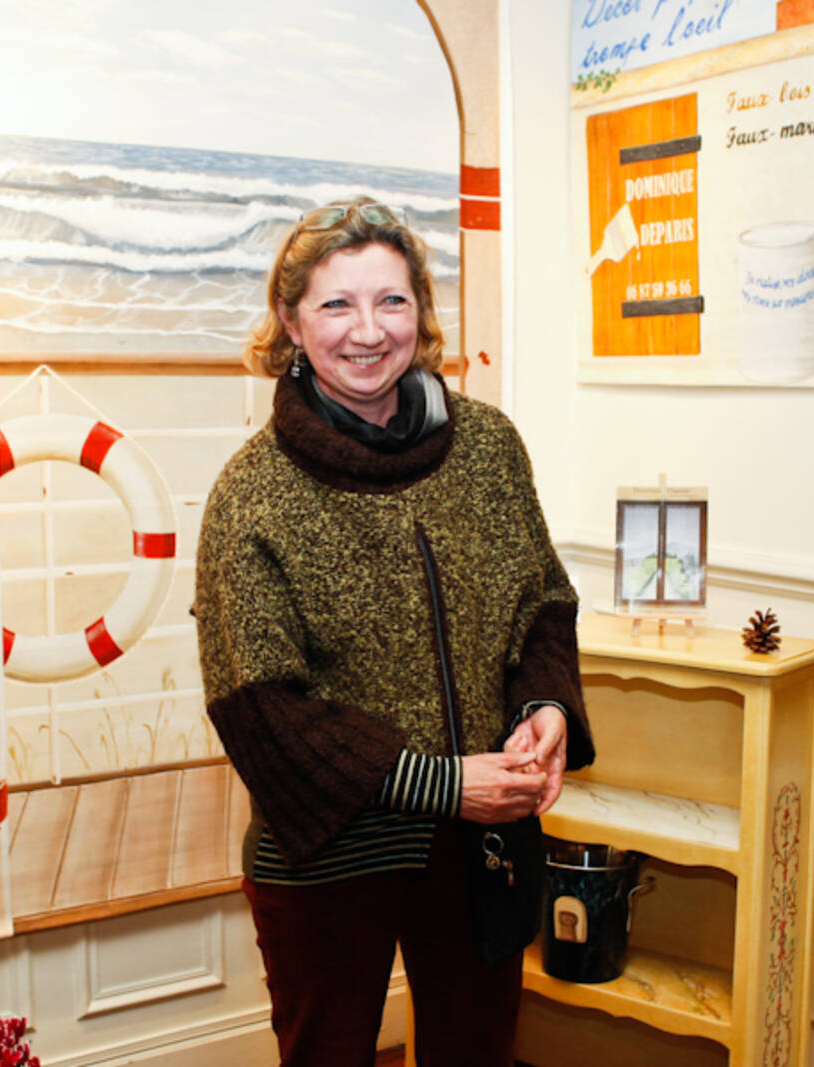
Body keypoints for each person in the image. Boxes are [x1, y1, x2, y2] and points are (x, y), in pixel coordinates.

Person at [194, 197, 593, 1066]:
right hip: (327, 860)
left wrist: (547, 705)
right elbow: (263, 712)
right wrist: (443, 784)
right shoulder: (252, 494)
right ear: (290, 322)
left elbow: (540, 602)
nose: (368, 331)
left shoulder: (487, 448)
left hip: (483, 844)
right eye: (337, 303)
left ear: (423, 310)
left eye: (392, 300)